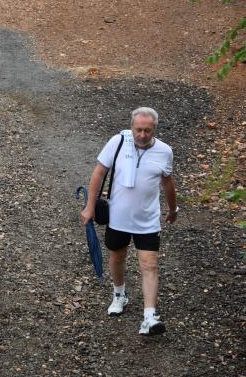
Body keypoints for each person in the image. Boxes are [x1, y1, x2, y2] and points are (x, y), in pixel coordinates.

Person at [80, 107, 178, 336]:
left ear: (155, 129)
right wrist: (90, 206)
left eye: (147, 130)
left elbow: (168, 183)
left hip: (148, 219)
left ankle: (150, 316)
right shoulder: (117, 141)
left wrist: (173, 209)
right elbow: (99, 173)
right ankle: (119, 293)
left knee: (149, 264)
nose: (142, 135)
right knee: (117, 256)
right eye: (138, 130)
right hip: (118, 217)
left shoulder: (165, 151)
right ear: (131, 127)